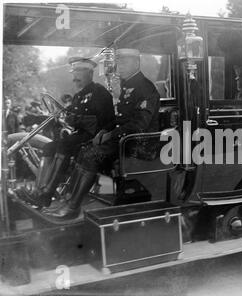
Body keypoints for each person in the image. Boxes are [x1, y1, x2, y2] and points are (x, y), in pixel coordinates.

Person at [44, 48, 161, 220]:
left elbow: (139, 124)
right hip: (124, 139)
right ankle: (69, 201)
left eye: (124, 62)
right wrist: (104, 130)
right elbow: (121, 116)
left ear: (137, 63)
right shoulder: (128, 84)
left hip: (139, 143)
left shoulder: (145, 88)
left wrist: (110, 135)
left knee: (91, 155)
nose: (119, 66)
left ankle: (73, 208)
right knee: (85, 150)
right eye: (118, 62)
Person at [18, 57, 115, 208]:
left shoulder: (100, 93)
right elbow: (66, 113)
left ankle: (47, 193)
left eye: (79, 73)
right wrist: (35, 118)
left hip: (97, 137)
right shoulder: (78, 96)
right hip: (81, 136)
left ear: (89, 73)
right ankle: (39, 191)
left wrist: (75, 120)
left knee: (64, 145)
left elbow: (100, 122)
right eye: (74, 74)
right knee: (49, 147)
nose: (75, 78)